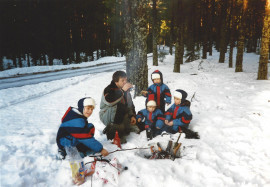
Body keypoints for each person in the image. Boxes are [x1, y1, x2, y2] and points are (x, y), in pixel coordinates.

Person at [99, 71, 139, 143]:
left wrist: (132, 116)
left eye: (125, 80)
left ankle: (124, 128)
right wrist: (122, 91)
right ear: (116, 81)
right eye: (122, 80)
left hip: (119, 114)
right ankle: (113, 132)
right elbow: (110, 101)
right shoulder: (109, 89)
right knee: (119, 106)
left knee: (137, 128)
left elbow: (129, 105)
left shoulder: (125, 91)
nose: (125, 82)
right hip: (107, 115)